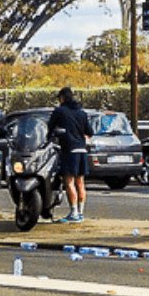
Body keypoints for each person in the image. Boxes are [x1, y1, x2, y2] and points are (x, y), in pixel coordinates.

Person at [48, 86, 91, 222]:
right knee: (80, 182)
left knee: (69, 181)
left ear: (62, 98)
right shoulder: (82, 113)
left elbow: (50, 128)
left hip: (69, 150)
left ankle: (73, 213)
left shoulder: (60, 111)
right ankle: (81, 212)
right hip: (82, 150)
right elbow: (90, 131)